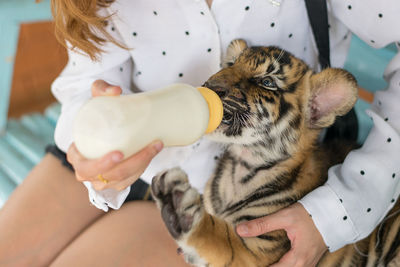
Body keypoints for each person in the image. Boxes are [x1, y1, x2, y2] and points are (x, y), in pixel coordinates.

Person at [0, 0, 399, 266]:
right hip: (121, 144)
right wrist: (87, 146)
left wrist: (341, 208)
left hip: (228, 199)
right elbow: (88, 74)